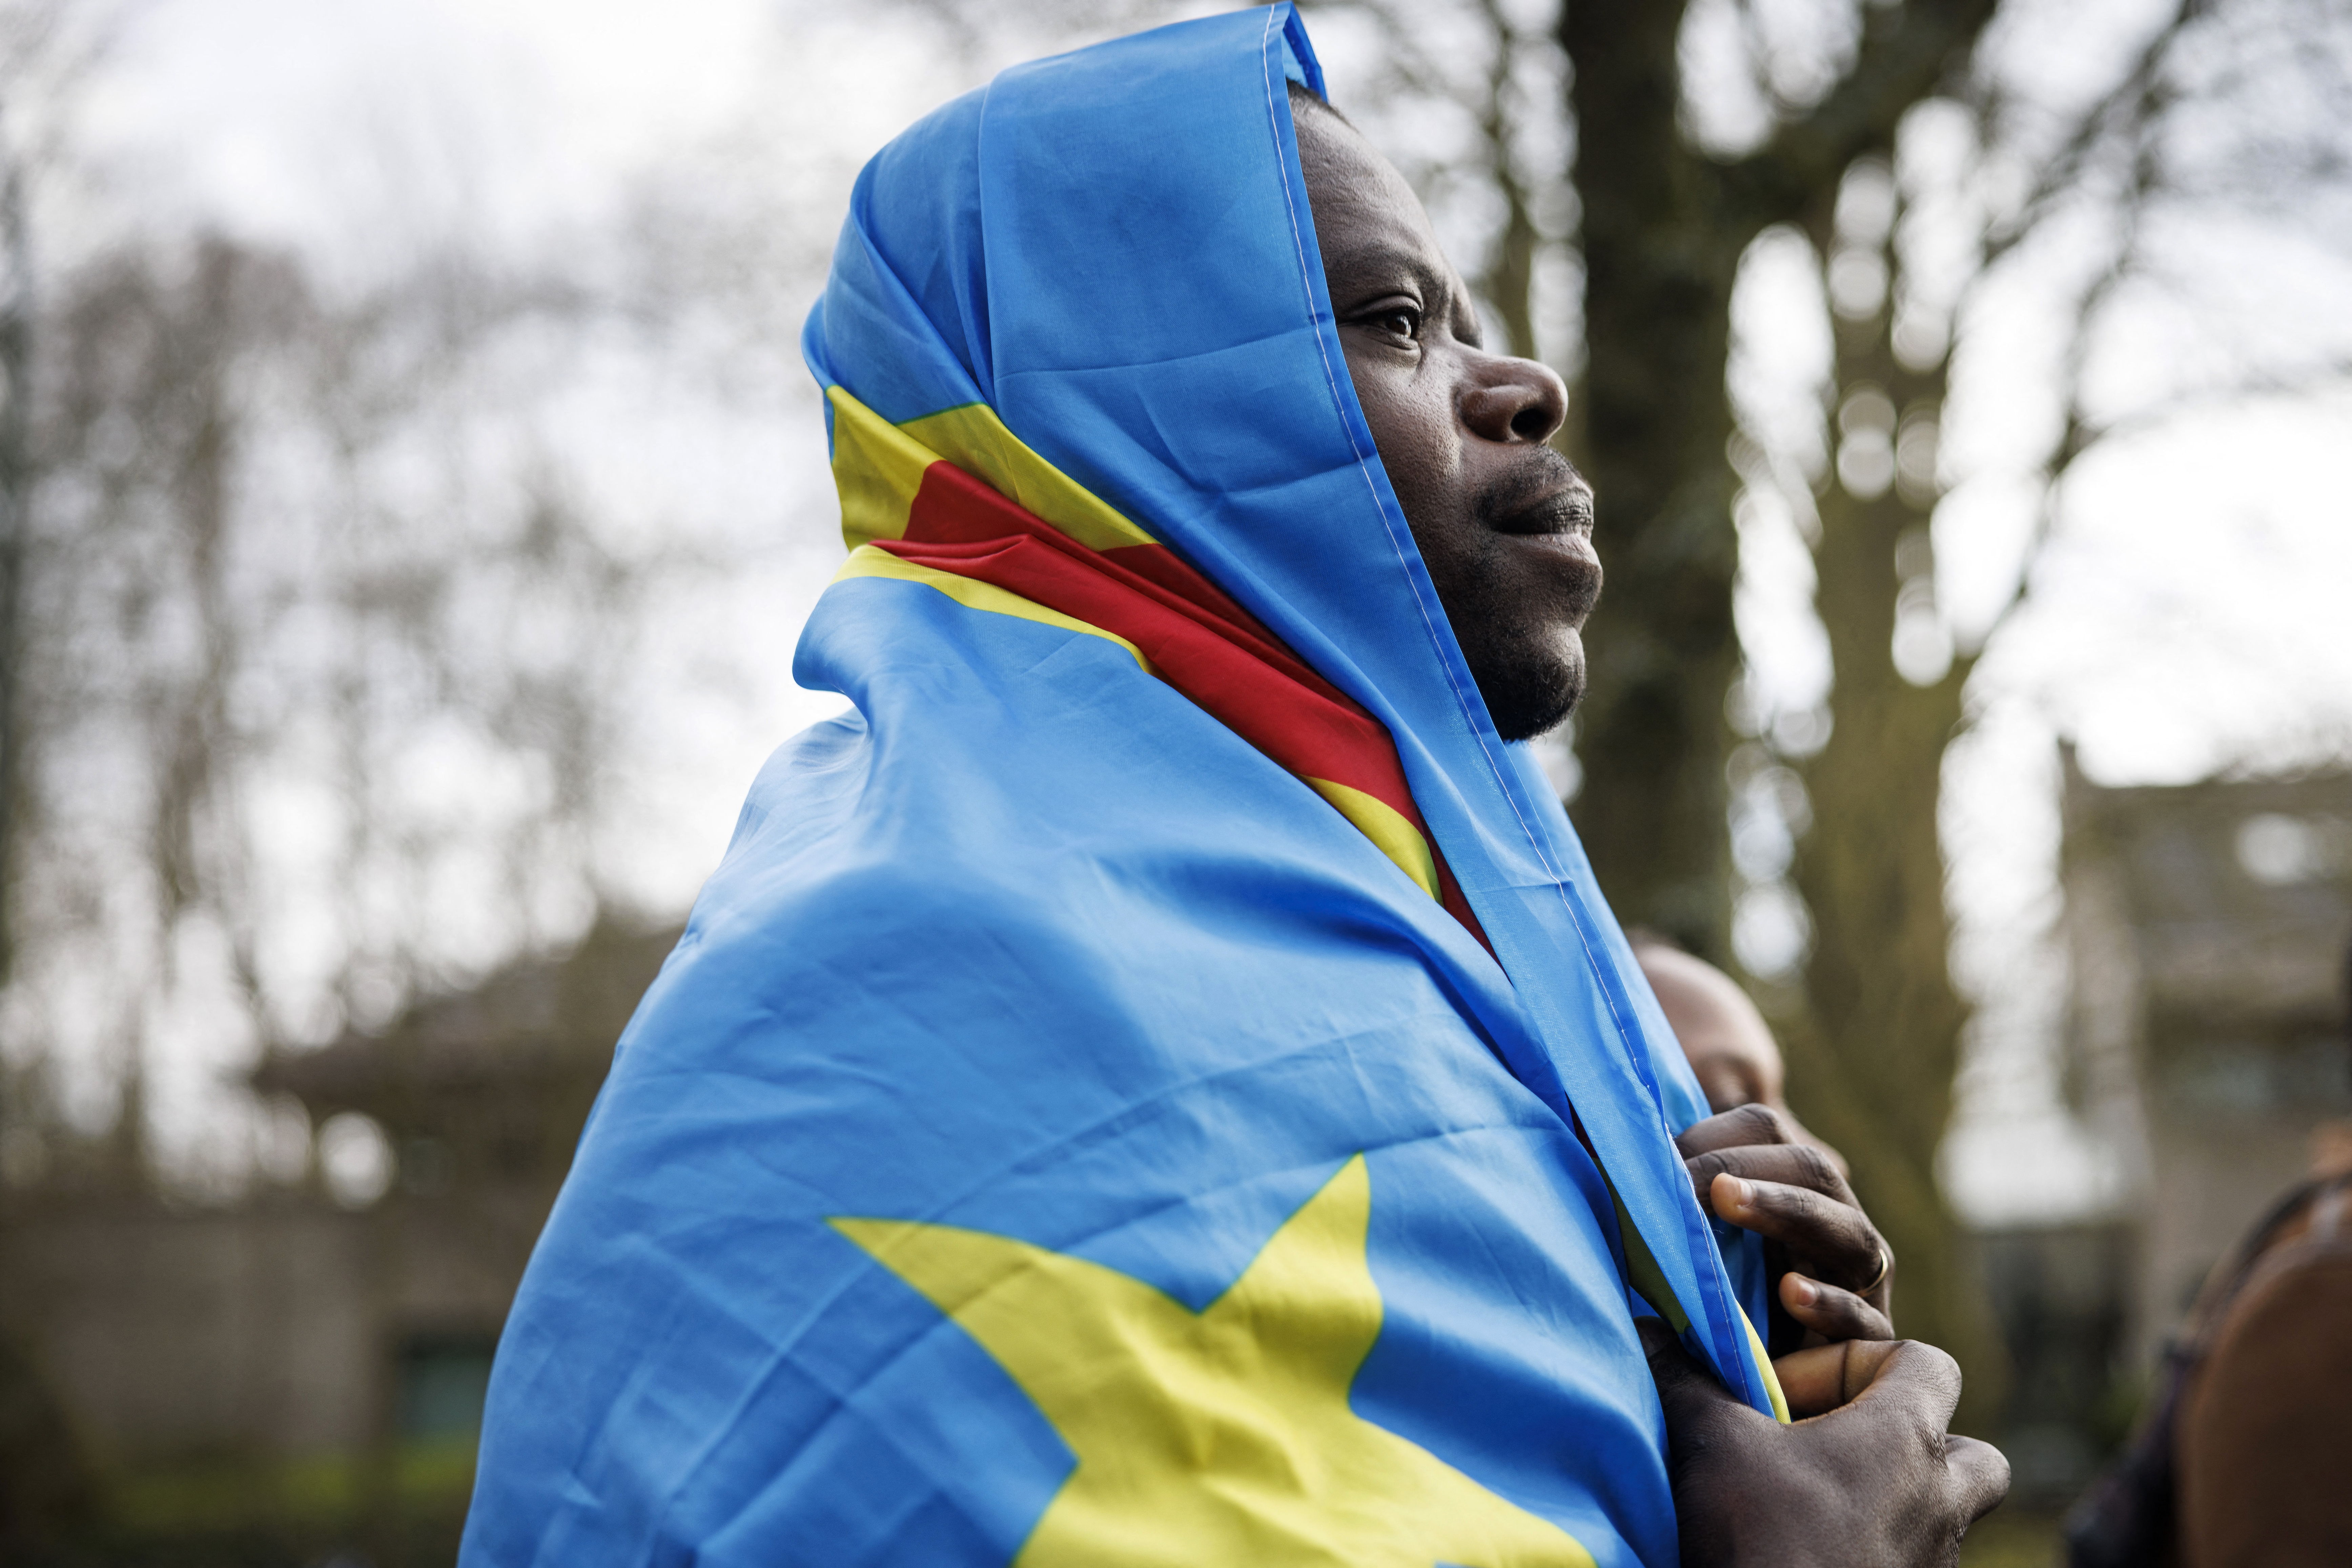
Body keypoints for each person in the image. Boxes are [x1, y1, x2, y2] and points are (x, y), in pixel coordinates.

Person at [461, 9, 2004, 1564]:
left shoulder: (1486, 991)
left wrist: (1726, 1337)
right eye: (1396, 320)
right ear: (1134, 413)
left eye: (1465, 319)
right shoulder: (893, 974)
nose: (1522, 380)